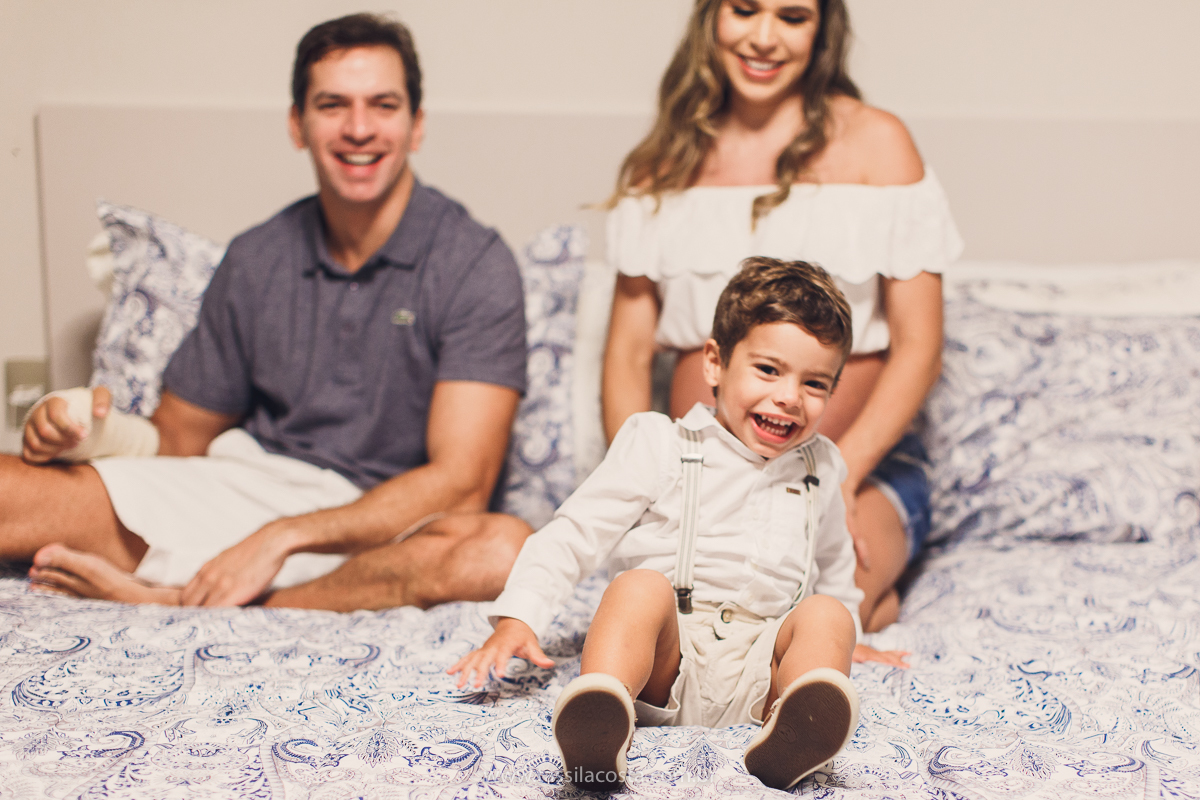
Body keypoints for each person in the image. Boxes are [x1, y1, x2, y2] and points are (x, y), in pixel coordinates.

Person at [8, 13, 534, 611]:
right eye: (333, 105)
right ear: (297, 125)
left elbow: (462, 484)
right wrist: (86, 432)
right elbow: (180, 438)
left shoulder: (474, 263)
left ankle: (197, 600)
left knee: (503, 550)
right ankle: (210, 585)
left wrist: (280, 538)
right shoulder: (258, 256)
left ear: (416, 125)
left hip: (381, 529)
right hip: (239, 491)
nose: (359, 128)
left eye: (383, 105)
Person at [601, 0, 963, 641]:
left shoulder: (878, 145)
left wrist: (839, 478)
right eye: (745, 10)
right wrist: (643, 485)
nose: (764, 38)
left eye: (792, 16)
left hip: (862, 470)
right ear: (711, 16)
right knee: (678, 621)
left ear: (823, 28)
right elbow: (628, 358)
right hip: (705, 483)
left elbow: (920, 347)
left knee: (805, 613)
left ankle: (871, 600)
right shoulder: (659, 168)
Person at [452, 259, 868, 791]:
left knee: (827, 613)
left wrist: (848, 637)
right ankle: (602, 715)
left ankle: (794, 732)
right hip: (667, 662)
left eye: (815, 383)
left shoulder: (822, 466)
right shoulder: (659, 444)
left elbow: (834, 564)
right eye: (768, 370)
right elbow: (575, 532)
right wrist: (519, 615)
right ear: (715, 364)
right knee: (639, 587)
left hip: (765, 672)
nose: (790, 396)